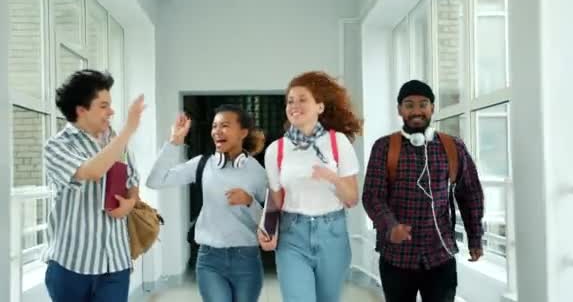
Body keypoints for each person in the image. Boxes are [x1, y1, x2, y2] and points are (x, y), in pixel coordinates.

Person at [362, 80, 485, 302]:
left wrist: (475, 237)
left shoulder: (453, 146)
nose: (417, 111)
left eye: (423, 104)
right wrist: (391, 227)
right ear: (400, 110)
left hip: (440, 254)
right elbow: (372, 196)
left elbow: (470, 194)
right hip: (397, 257)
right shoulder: (384, 147)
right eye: (409, 105)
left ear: (432, 108)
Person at [258, 71, 362, 302]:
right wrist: (266, 228)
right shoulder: (277, 149)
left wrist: (333, 178)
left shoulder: (338, 143)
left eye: (302, 99)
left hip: (332, 234)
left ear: (320, 107)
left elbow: (352, 199)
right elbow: (275, 200)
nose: (294, 105)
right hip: (292, 235)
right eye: (290, 101)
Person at [146, 105, 267, 302]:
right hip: (209, 260)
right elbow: (155, 181)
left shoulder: (257, 172)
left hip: (246, 259)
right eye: (214, 126)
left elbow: (267, 221)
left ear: (243, 133)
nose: (217, 131)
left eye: (225, 125)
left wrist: (249, 202)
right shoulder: (202, 164)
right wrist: (174, 143)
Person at [43, 69, 144, 302]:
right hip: (72, 263)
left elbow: (133, 182)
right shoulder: (57, 146)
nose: (111, 111)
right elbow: (91, 171)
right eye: (103, 105)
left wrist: (129, 204)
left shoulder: (116, 140)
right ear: (81, 110)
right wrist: (129, 129)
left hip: (116, 261)